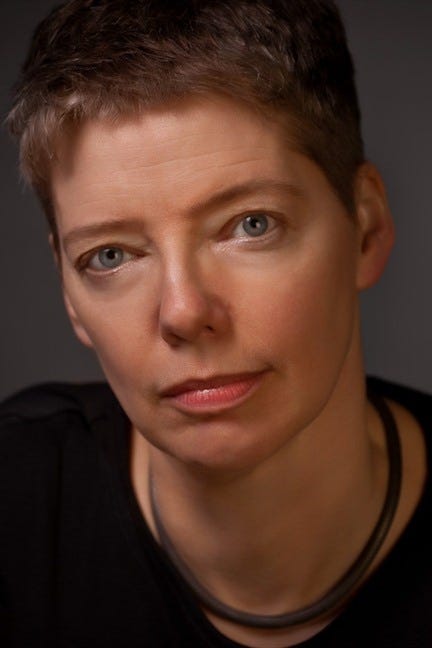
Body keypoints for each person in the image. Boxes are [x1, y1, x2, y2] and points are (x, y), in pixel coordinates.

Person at [1, 1, 430, 646]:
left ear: (365, 229)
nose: (182, 311)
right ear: (68, 293)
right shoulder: (17, 500)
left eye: (251, 224)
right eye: (111, 255)